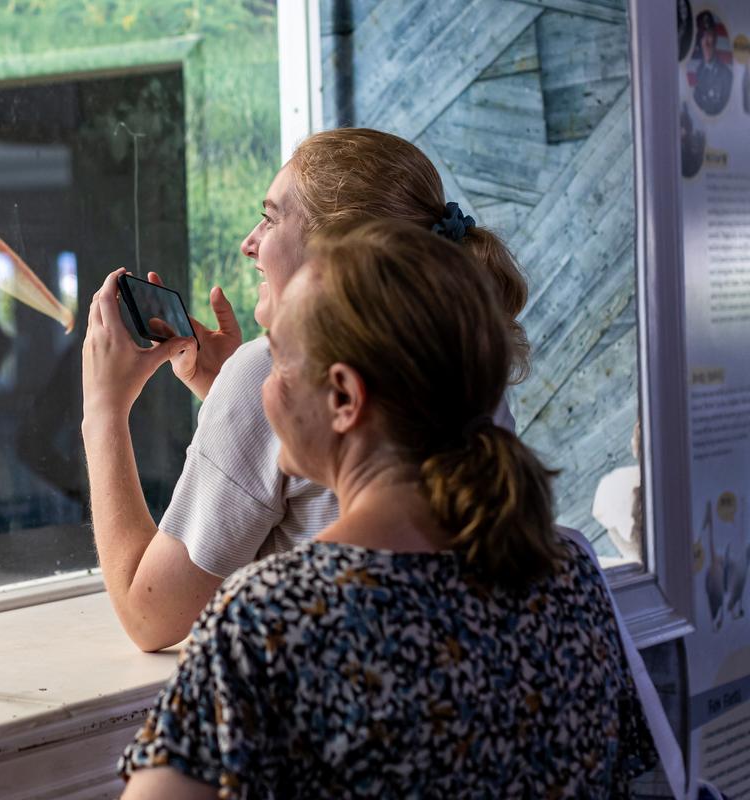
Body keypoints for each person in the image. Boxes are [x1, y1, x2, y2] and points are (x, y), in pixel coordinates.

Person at [117, 219, 658, 797]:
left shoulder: (272, 621)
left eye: (273, 358)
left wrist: (104, 411)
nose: (259, 386)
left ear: (345, 398)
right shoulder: (568, 579)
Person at [82, 128, 528, 655]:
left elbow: (149, 615)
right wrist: (238, 397)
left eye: (270, 218)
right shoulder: (464, 357)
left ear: (331, 255)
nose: (249, 242)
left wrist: (104, 411)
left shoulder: (275, 613)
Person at [693, 10, 732, 116]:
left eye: (709, 35)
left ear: (715, 38)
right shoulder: (698, 72)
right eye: (702, 36)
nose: (706, 42)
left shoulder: (726, 74)